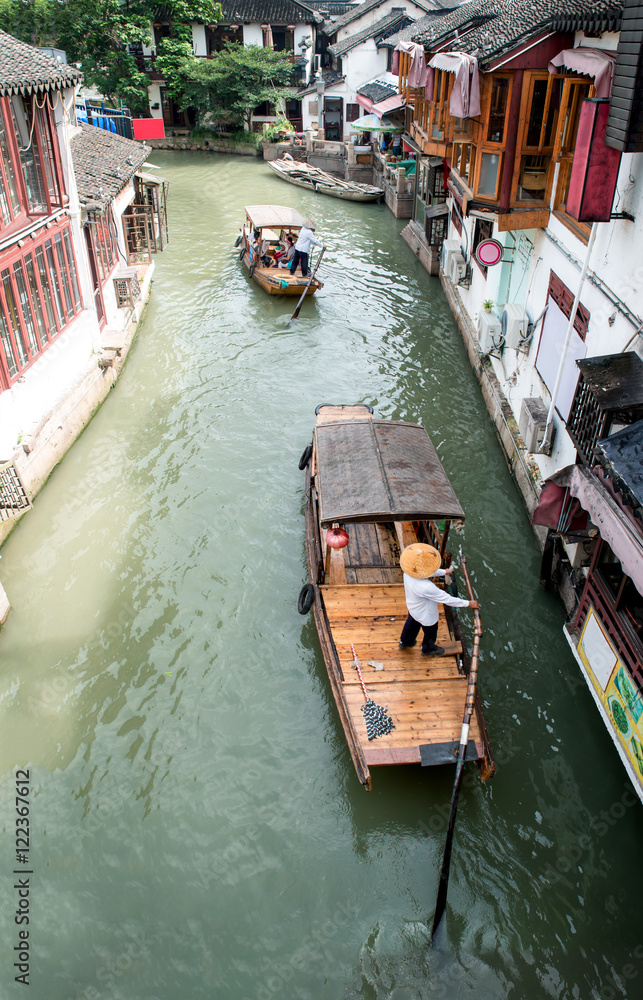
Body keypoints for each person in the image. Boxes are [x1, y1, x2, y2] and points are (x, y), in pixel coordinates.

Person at [398, 543, 479, 656]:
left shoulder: (408, 573)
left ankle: (405, 641)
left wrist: (444, 571)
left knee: (411, 625)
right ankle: (428, 649)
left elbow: (423, 571)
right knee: (430, 633)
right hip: (426, 615)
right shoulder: (426, 587)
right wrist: (469, 603)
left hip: (413, 608)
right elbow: (447, 599)